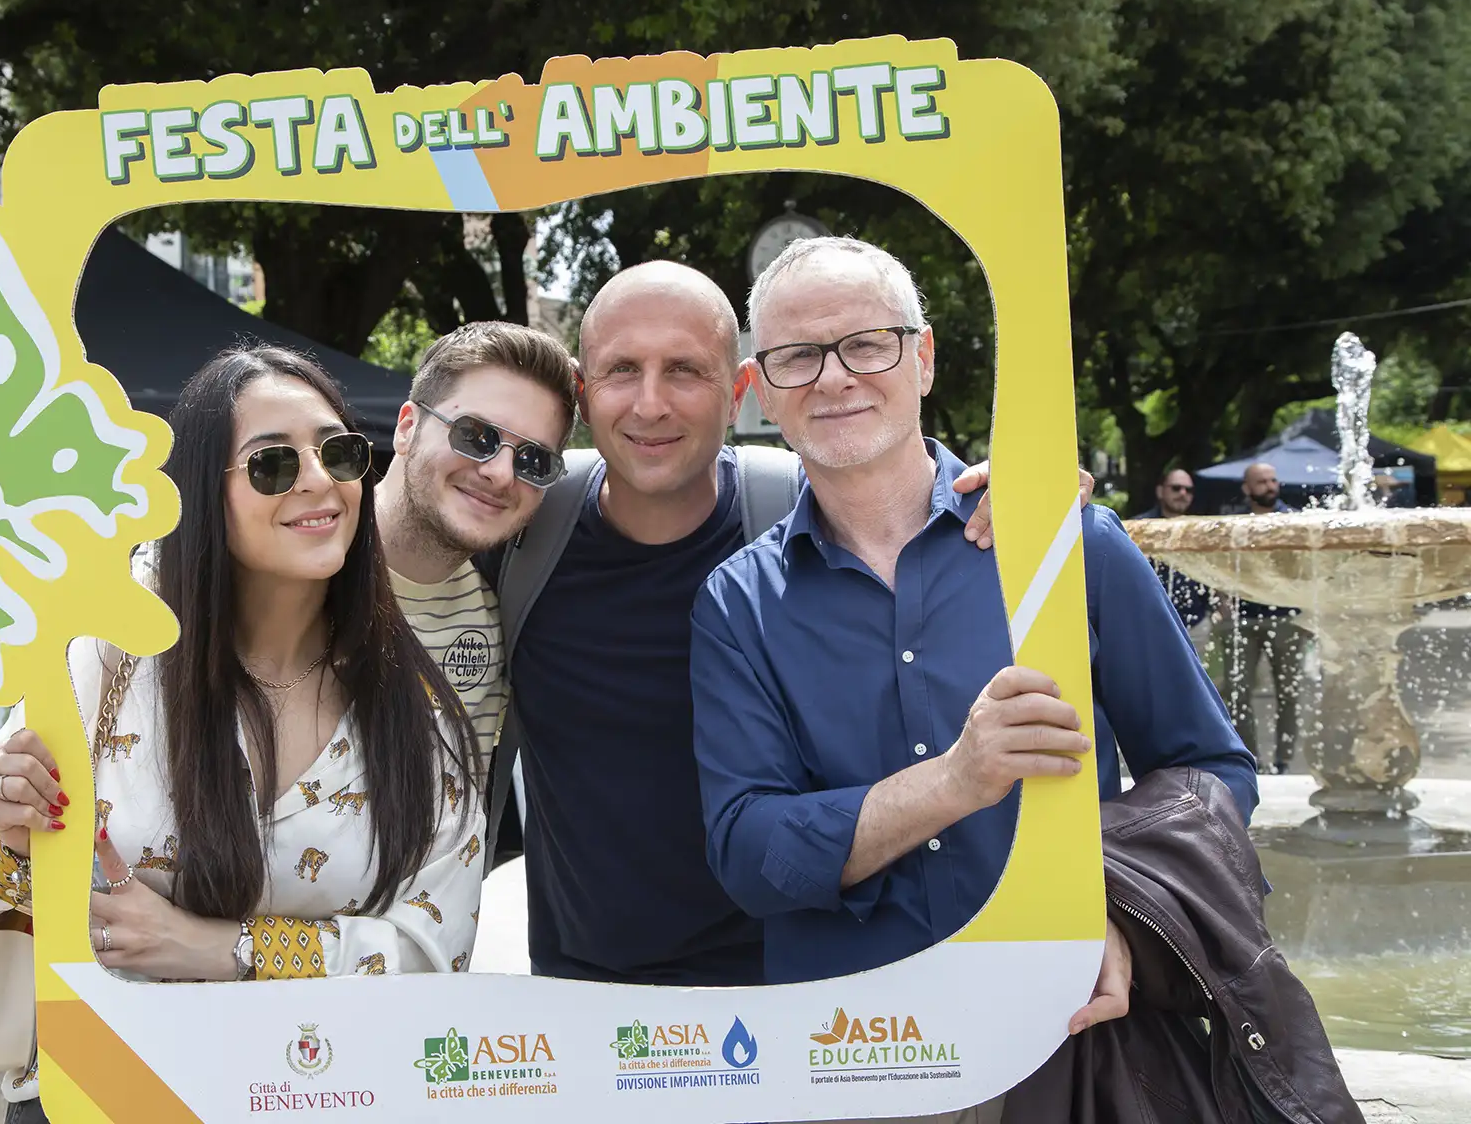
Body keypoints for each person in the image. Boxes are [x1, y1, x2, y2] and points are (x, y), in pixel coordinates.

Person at [689, 237, 1258, 1124]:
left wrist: (1129, 925)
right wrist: (954, 782)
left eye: (868, 343)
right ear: (759, 391)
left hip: (1069, 1044)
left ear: (922, 357)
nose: (834, 378)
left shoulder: (1070, 547)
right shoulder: (737, 602)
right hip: (852, 1062)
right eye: (797, 356)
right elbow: (748, 854)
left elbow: (1211, 775)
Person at [0, 345, 484, 1121]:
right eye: (270, 464)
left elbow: (433, 954)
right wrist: (14, 825)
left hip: (327, 1098)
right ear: (203, 493)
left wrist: (222, 948)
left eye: (338, 452)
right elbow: (3, 883)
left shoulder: (416, 711)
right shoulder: (104, 657)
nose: (318, 481)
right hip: (106, 1092)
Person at [487, 260, 1038, 987]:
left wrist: (1025, 493)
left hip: (817, 983)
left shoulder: (791, 520)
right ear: (583, 394)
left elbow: (897, 482)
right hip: (592, 993)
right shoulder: (520, 536)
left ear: (743, 391)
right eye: (622, 370)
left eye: (684, 370)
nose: (651, 404)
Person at [372, 322, 577, 782]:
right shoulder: (282, 574)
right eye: (476, 435)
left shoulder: (513, 604)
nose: (501, 474)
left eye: (533, 461)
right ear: (407, 428)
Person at [1217, 461, 1311, 773]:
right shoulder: (1236, 524)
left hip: (1286, 619)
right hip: (1243, 619)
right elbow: (1221, 566)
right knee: (1236, 692)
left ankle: (1283, 761)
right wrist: (1221, 600)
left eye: (1273, 480)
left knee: (1289, 693)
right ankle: (1252, 760)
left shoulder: (1294, 522)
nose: (1270, 486)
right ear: (1247, 488)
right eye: (1262, 482)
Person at [1132, 467, 1211, 655]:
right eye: (1176, 488)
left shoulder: (1200, 529)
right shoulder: (1139, 528)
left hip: (1195, 623)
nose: (1183, 494)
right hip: (1150, 625)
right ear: (1160, 491)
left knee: (1194, 682)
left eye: (1188, 490)